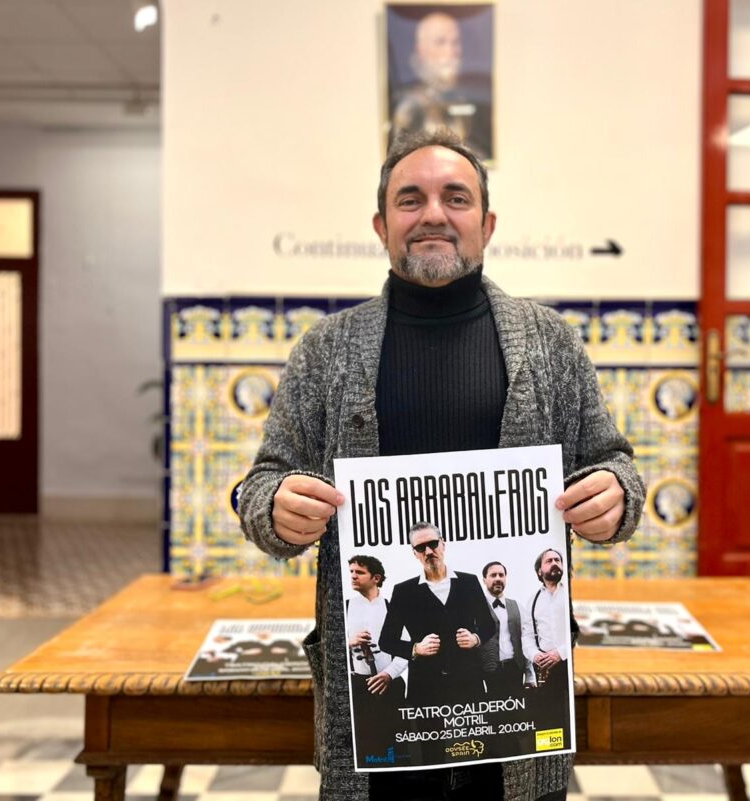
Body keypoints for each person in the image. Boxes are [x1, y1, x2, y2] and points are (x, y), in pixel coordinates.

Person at [239, 128, 645, 801]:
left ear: (487, 223)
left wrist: (617, 496)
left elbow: (614, 463)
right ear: (381, 225)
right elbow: (260, 486)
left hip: (515, 722)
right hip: (381, 728)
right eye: (410, 199)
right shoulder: (326, 350)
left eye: (456, 198)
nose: (433, 214)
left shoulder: (551, 343)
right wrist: (275, 506)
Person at [378, 523, 495, 707]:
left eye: (433, 544)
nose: (428, 551)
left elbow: (489, 625)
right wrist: (416, 649)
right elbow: (386, 641)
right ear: (414, 553)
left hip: (468, 684)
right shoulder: (403, 592)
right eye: (420, 547)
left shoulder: (469, 582)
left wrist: (475, 638)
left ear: (443, 544)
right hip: (425, 688)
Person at [390, 11, 492, 159]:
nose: (450, 51)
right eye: (440, 42)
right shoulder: (409, 105)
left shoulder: (467, 97)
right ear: (421, 49)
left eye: (455, 42)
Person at [345, 555, 407, 756]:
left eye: (360, 572)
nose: (353, 576)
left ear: (376, 578)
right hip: (357, 686)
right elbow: (330, 649)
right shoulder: (344, 607)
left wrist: (388, 674)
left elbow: (407, 649)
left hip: (390, 685)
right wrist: (349, 642)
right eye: (351, 571)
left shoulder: (392, 608)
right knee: (364, 746)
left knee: (395, 744)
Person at [521, 549, 572, 742]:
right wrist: (535, 655)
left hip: (570, 664)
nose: (555, 563)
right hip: (547, 669)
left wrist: (561, 652)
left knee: (572, 715)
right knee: (549, 718)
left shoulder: (570, 593)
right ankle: (551, 753)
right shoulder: (533, 600)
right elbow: (527, 636)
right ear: (539, 571)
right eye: (549, 561)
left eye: (558, 560)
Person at [479, 561, 529, 698]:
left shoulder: (517, 606)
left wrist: (530, 675)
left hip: (515, 670)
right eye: (493, 575)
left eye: (501, 575)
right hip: (488, 673)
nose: (498, 578)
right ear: (484, 580)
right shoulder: (476, 607)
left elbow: (526, 640)